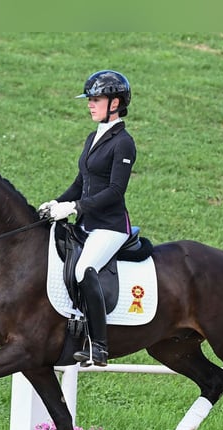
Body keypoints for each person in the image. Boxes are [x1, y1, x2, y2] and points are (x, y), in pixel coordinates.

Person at [39, 70, 136, 368]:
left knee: (84, 268)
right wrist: (58, 202)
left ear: (115, 102)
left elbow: (115, 191)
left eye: (96, 100)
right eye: (90, 100)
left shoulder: (124, 143)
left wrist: (75, 207)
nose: (90, 105)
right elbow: (81, 181)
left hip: (110, 226)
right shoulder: (93, 137)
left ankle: (100, 347)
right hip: (87, 224)